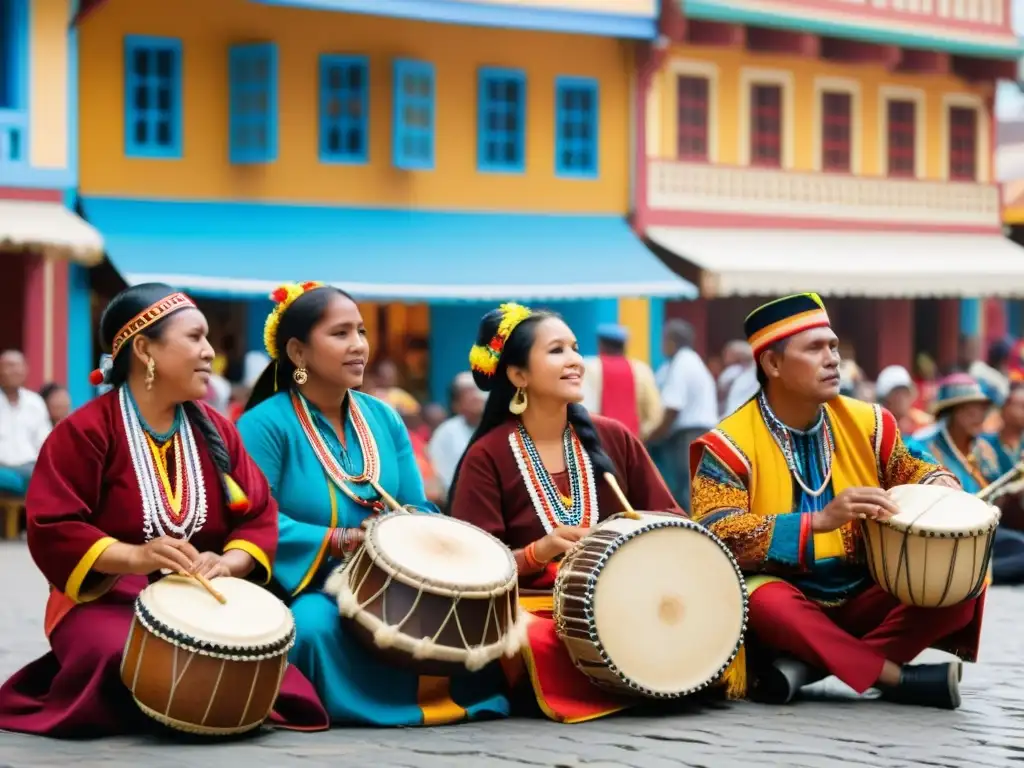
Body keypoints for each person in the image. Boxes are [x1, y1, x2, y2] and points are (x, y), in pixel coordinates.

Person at [0, 283, 328, 738]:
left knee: (261, 658)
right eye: (194, 338)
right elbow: (53, 524)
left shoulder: (216, 430)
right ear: (143, 348)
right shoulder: (87, 431)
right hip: (106, 598)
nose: (210, 352)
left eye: (208, 338)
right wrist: (136, 557)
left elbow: (258, 513)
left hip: (200, 594)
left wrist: (228, 562)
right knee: (119, 656)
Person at [689, 293, 983, 711]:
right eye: (814, 349)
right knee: (764, 602)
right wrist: (818, 522)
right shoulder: (728, 445)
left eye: (832, 346)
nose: (832, 359)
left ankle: (807, 667)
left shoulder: (871, 423)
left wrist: (941, 489)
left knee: (961, 582)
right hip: (785, 596)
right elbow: (715, 534)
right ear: (772, 365)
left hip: (864, 589)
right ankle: (893, 676)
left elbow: (919, 470)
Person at [237, 282, 509, 726]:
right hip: (309, 585)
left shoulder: (382, 416)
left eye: (361, 331)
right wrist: (342, 539)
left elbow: (416, 504)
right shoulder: (265, 424)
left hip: (392, 580)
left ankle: (446, 700)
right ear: (298, 352)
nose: (358, 345)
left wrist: (407, 532)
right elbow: (255, 520)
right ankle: (361, 705)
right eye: (340, 333)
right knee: (312, 630)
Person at [448, 303, 683, 723]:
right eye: (557, 350)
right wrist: (537, 552)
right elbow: (468, 564)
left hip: (620, 594)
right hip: (533, 605)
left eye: (575, 347)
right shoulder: (488, 455)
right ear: (518, 376)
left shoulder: (613, 436)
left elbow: (670, 517)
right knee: (534, 638)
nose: (576, 360)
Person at [649, 319, 717, 509]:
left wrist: (654, 435)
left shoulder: (682, 362)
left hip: (688, 434)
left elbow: (673, 407)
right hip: (698, 432)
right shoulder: (688, 361)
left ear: (671, 341)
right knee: (692, 487)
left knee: (684, 489)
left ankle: (690, 533)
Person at [579, 323, 662, 440]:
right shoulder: (642, 370)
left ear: (600, 344)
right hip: (631, 443)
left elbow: (581, 408)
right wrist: (639, 436)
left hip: (597, 443)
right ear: (625, 346)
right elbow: (655, 415)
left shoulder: (588, 367)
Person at [0, 350, 51, 491]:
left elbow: (44, 442)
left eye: (19, 366)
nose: (15, 371)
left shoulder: (35, 402)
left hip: (29, 467)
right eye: (9, 366)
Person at [428, 372, 486, 493]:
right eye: (468, 393)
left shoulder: (499, 427)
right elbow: (441, 479)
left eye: (477, 391)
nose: (476, 397)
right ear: (456, 405)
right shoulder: (446, 432)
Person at [875, 365, 932, 436]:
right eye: (897, 393)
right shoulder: (877, 428)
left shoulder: (924, 424)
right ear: (885, 399)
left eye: (905, 392)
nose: (902, 398)